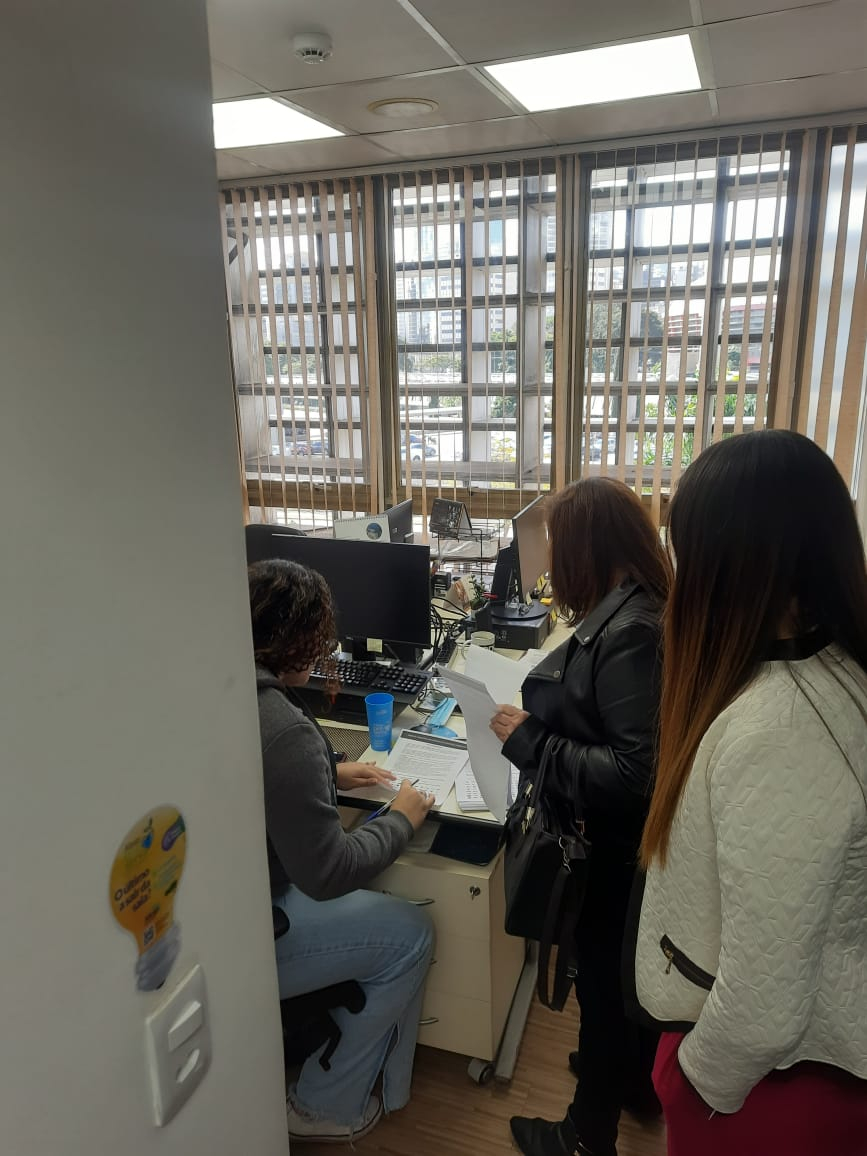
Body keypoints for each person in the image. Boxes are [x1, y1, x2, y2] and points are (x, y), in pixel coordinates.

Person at [633, 431, 867, 1156]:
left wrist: (694, 1080)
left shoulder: (781, 733)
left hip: (768, 1090)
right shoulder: (829, 671)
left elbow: (765, 1002)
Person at [491, 477, 672, 1156]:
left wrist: (532, 743)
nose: (549, 561)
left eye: (557, 546)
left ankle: (583, 1138)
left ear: (586, 548)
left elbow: (632, 773)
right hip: (629, 848)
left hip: (614, 852)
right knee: (621, 986)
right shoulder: (635, 608)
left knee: (602, 990)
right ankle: (633, 1084)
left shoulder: (631, 633)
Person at [248, 559, 435, 1144]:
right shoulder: (283, 728)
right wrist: (401, 819)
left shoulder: (224, 688)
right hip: (261, 929)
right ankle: (320, 1106)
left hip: (227, 907)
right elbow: (330, 872)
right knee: (412, 934)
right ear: (301, 639)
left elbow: (259, 780)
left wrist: (328, 771)